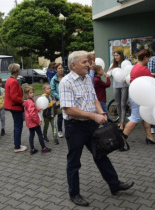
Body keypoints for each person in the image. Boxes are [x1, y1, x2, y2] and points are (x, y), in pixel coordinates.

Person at [59, 51, 134, 207]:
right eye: (85, 62)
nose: (89, 64)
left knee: (101, 154)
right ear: (73, 65)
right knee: (74, 162)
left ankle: (115, 185)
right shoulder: (66, 82)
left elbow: (94, 99)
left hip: (91, 125)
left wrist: (100, 111)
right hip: (75, 127)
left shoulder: (87, 78)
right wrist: (94, 116)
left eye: (89, 61)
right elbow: (68, 109)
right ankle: (74, 194)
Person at [121, 49, 155, 145]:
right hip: (138, 96)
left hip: (136, 94)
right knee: (135, 118)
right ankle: (121, 140)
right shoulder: (143, 68)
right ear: (145, 57)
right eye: (148, 58)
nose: (149, 60)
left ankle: (149, 137)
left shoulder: (135, 67)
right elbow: (152, 81)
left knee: (145, 115)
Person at [4, 63, 27, 153]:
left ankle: (16, 143)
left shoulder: (9, 80)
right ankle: (17, 147)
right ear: (17, 71)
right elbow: (14, 97)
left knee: (16, 125)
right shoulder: (13, 81)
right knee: (18, 126)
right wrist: (23, 101)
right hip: (15, 106)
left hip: (12, 106)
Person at [23, 85, 51, 155]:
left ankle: (32, 149)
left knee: (31, 135)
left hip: (29, 122)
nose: (32, 94)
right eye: (30, 93)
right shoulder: (31, 102)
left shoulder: (27, 101)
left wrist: (37, 109)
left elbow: (31, 110)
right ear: (26, 94)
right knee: (40, 135)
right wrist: (38, 121)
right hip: (34, 122)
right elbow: (32, 114)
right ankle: (44, 148)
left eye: (33, 92)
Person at [107, 50, 128, 130]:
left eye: (117, 55)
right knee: (118, 104)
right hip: (116, 85)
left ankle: (122, 123)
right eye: (115, 55)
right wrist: (106, 75)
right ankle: (121, 120)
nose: (115, 57)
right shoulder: (113, 64)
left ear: (121, 55)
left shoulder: (125, 63)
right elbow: (108, 73)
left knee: (123, 104)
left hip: (125, 85)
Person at [50, 63, 65, 138]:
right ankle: (59, 130)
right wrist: (60, 97)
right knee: (60, 116)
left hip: (67, 99)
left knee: (68, 115)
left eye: (62, 68)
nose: (61, 69)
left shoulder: (66, 77)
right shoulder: (54, 79)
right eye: (59, 68)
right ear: (56, 70)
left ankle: (68, 129)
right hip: (59, 101)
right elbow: (52, 90)